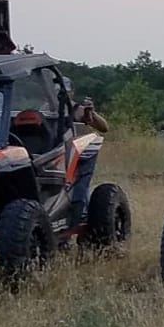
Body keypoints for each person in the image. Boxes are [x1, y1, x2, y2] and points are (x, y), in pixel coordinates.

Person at [65, 79, 109, 227]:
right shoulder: (45, 108)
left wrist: (91, 113)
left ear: (71, 92)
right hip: (55, 152)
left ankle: (82, 215)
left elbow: (104, 127)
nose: (61, 93)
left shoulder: (76, 108)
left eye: (65, 90)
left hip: (75, 151)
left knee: (79, 183)